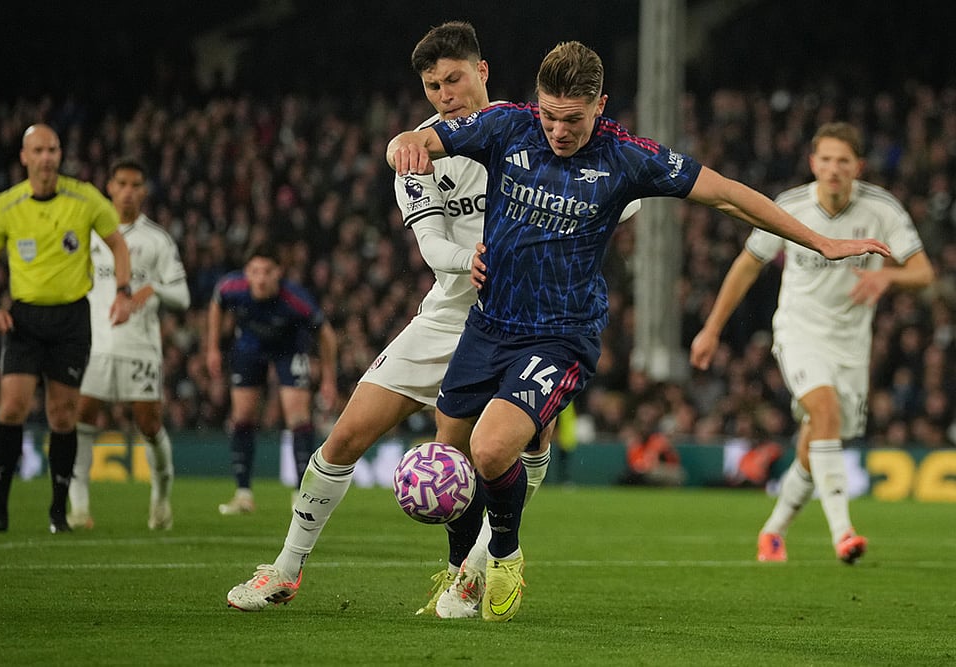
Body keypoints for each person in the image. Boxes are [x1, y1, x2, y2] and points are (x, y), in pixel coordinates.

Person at [386, 42, 890, 621]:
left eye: (572, 118)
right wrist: (406, 141)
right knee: (450, 451)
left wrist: (821, 241)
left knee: (491, 446)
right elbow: (426, 139)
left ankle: (504, 554)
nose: (557, 129)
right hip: (490, 323)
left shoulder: (627, 157)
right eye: (549, 114)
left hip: (561, 334)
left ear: (599, 105)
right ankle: (460, 575)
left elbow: (727, 195)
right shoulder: (506, 126)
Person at [225, 21, 581, 618]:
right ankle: (285, 570)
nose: (444, 95)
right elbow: (433, 246)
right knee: (344, 436)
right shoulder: (417, 151)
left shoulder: (532, 134)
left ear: (483, 71)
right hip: (445, 315)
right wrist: (470, 260)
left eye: (454, 79)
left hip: (523, 324)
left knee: (476, 450)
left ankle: (469, 574)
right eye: (432, 86)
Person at [690, 121, 933, 564]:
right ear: (812, 163)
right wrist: (712, 328)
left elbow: (924, 273)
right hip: (799, 332)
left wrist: (889, 280)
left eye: (843, 161)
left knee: (815, 436)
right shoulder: (792, 206)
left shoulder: (882, 209)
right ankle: (843, 533)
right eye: (825, 159)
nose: (833, 169)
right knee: (824, 412)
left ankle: (774, 531)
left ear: (858, 166)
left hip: (852, 344)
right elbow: (748, 264)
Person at [0, 123, 132, 533]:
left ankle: (59, 513)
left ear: (60, 154)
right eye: (38, 150)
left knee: (61, 415)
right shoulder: (6, 204)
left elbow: (118, 244)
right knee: (12, 407)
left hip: (72, 319)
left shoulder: (85, 197)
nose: (46, 158)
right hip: (25, 319)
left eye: (52, 149)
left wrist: (124, 292)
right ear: (24, 156)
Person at [67, 157, 190, 531]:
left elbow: (183, 297)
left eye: (136, 185)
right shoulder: (86, 235)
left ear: (145, 191)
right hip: (94, 344)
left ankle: (161, 500)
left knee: (148, 423)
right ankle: (79, 507)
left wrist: (153, 288)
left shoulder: (157, 240)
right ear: (109, 187)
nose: (128, 192)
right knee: (83, 416)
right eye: (121, 183)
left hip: (139, 346)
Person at [207, 247, 338, 516]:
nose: (261, 278)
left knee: (298, 419)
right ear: (247, 273)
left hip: (289, 349)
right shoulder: (232, 287)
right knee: (242, 416)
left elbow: (326, 333)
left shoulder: (295, 299)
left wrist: (329, 378)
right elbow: (216, 304)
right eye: (255, 272)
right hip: (249, 348)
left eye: (267, 272)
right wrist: (212, 347)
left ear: (278, 272)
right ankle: (243, 495)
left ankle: (302, 494)